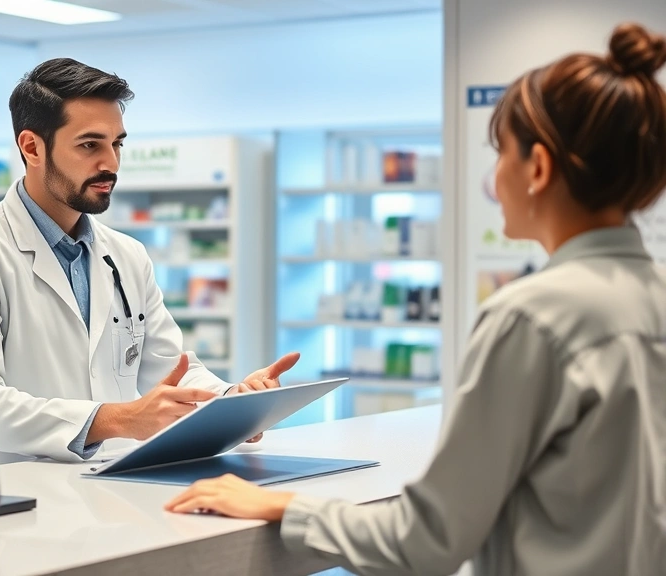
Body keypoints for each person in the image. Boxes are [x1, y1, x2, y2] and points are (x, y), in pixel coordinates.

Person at [166, 22, 666, 576]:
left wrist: (284, 504)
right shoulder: (653, 296)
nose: (494, 176)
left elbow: (428, 541)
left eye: (501, 153)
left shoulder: (533, 317)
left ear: (539, 168)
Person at [0, 58, 299, 462]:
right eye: (90, 145)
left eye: (117, 143)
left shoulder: (126, 255)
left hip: (114, 491)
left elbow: (167, 369)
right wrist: (117, 419)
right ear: (32, 147)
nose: (110, 163)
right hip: (25, 495)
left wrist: (234, 403)